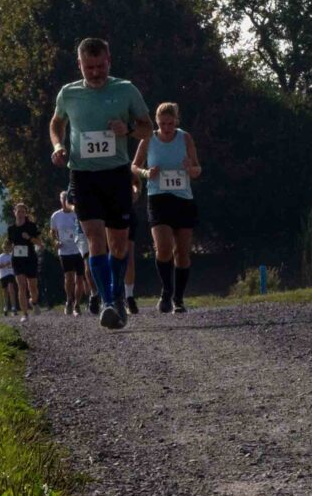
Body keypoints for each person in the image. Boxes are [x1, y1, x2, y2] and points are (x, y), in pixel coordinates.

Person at [50, 38, 153, 329]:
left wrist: (128, 129)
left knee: (118, 245)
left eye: (100, 66)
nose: (95, 73)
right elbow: (56, 123)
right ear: (79, 65)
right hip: (83, 176)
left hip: (116, 174)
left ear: (109, 61)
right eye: (89, 67)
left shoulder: (125, 89)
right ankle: (108, 303)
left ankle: (116, 293)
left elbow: (148, 128)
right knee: (95, 240)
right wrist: (58, 145)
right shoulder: (68, 93)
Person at [132, 102, 204, 313]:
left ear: (176, 122)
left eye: (170, 124)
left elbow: (198, 169)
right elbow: (134, 166)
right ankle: (166, 290)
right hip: (158, 198)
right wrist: (146, 173)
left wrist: (190, 168)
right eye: (162, 124)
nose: (166, 128)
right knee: (163, 248)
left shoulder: (185, 138)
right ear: (156, 122)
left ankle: (178, 299)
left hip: (183, 199)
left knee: (182, 252)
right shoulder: (149, 139)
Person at [49, 189, 92, 315]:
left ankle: (77, 304)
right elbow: (52, 232)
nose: (64, 202)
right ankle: (69, 299)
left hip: (78, 249)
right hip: (64, 251)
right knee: (68, 278)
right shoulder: (56, 216)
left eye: (66, 199)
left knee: (80, 278)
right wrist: (55, 241)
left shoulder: (76, 214)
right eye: (62, 199)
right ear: (60, 201)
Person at [5, 203, 44, 317]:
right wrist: (7, 246)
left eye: (23, 212)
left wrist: (29, 237)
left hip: (30, 259)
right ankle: (25, 314)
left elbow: (40, 243)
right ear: (14, 213)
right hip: (17, 260)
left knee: (33, 287)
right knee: (21, 286)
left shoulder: (31, 226)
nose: (20, 214)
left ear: (26, 213)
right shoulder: (11, 229)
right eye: (18, 211)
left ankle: (34, 302)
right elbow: (8, 245)